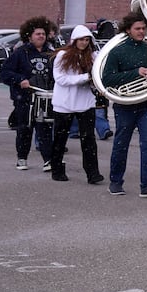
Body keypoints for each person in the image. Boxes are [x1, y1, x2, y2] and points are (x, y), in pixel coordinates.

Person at [100, 10, 147, 197]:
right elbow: (108, 80)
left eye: (144, 28)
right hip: (125, 104)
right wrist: (136, 73)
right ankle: (115, 181)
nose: (142, 32)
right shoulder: (118, 51)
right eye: (137, 28)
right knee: (121, 143)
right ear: (128, 30)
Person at [0, 16, 56, 171]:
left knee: (45, 130)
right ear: (30, 36)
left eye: (43, 34)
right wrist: (19, 80)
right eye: (38, 34)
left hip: (44, 99)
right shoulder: (21, 53)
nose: (41, 36)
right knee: (24, 129)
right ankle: (22, 158)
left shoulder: (51, 54)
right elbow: (5, 72)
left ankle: (48, 160)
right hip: (24, 99)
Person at [49, 26, 104, 184]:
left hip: (85, 103)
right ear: (74, 40)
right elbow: (61, 79)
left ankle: (92, 173)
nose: (84, 43)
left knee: (89, 140)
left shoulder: (93, 56)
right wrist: (85, 77)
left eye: (87, 40)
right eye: (81, 40)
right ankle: (57, 169)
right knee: (60, 138)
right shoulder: (62, 55)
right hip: (64, 104)